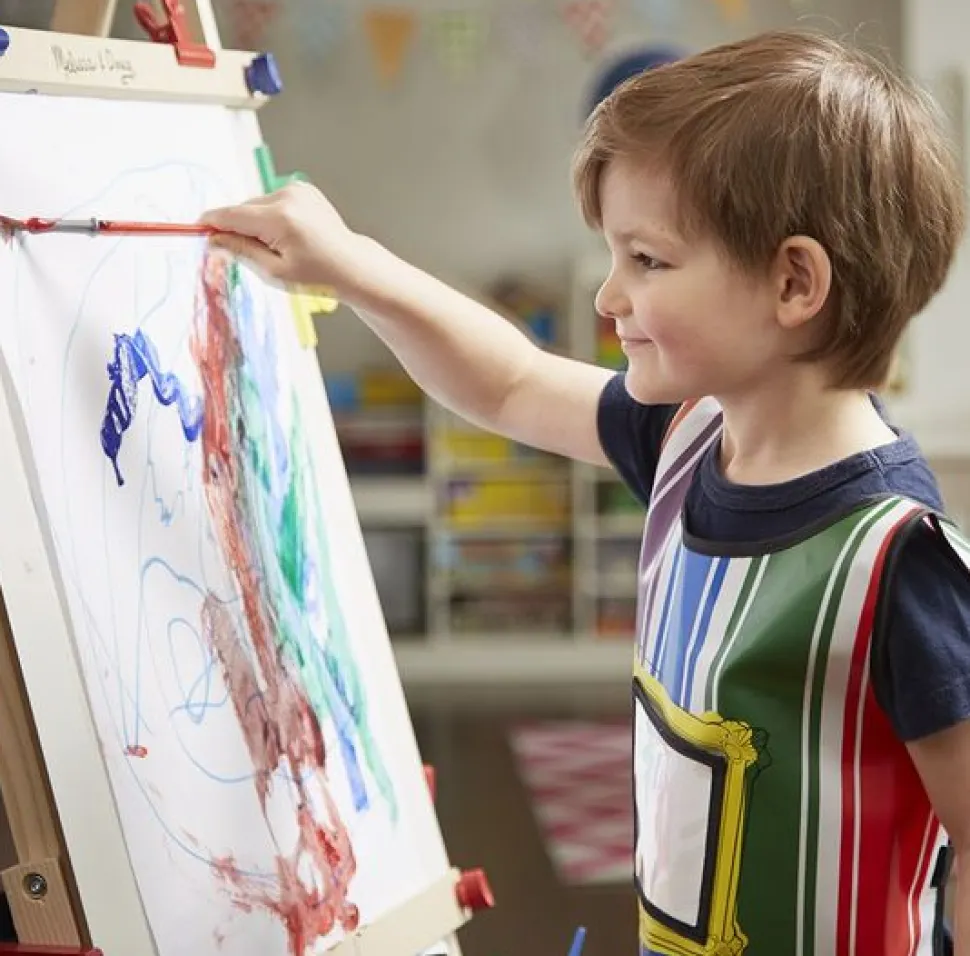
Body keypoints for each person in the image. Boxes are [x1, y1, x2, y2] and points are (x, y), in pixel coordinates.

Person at [202, 28, 970, 955]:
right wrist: (352, 265)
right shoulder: (687, 438)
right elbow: (511, 383)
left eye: (646, 260)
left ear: (793, 281)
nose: (609, 296)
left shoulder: (899, 565)